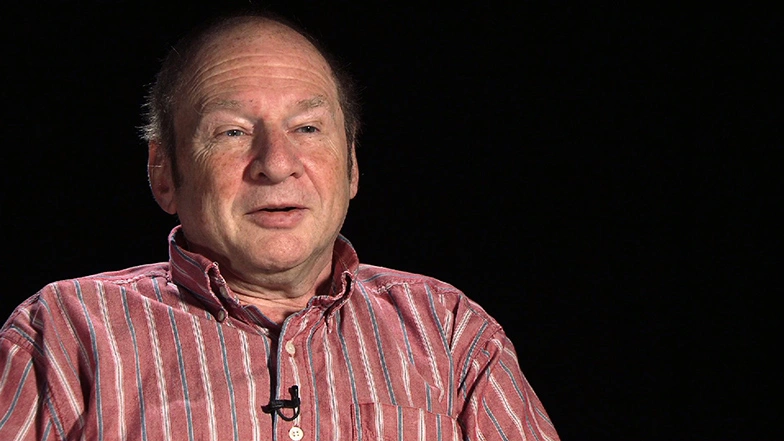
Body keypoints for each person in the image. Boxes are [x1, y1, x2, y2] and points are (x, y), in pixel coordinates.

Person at [0, 12, 559, 441]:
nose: (276, 162)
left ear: (353, 166)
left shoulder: (452, 334)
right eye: (231, 132)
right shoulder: (60, 335)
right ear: (164, 173)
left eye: (309, 128)